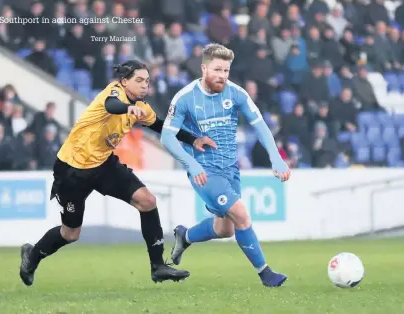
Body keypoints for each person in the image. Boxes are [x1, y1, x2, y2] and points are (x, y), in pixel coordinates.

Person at [19, 60, 217, 286]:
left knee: (148, 201)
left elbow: (162, 126)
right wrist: (127, 108)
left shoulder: (141, 106)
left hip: (103, 164)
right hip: (72, 169)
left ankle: (158, 266)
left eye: (147, 81)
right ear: (124, 82)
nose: (145, 85)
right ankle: (31, 256)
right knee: (70, 234)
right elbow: (112, 105)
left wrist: (194, 139)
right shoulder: (114, 93)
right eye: (139, 80)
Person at [160, 43, 291, 287]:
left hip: (230, 169)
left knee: (225, 230)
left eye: (226, 71)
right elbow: (167, 136)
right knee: (242, 215)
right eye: (217, 70)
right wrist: (191, 164)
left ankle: (184, 236)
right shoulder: (185, 98)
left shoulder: (236, 94)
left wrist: (276, 157)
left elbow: (260, 125)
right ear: (204, 68)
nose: (222, 76)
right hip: (204, 171)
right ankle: (266, 273)